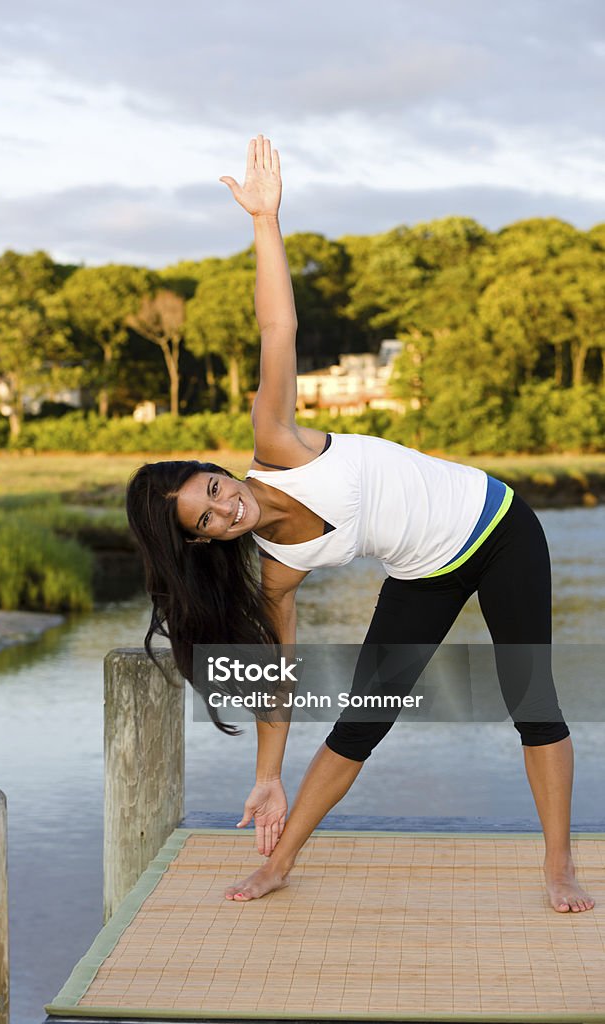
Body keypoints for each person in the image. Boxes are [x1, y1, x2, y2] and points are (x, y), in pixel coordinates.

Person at [126, 135, 594, 913]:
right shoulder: (277, 567)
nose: (223, 506)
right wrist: (264, 775)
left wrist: (265, 223)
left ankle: (558, 866)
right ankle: (279, 865)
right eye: (206, 520)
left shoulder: (276, 443)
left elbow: (276, 330)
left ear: (215, 467)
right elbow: (278, 677)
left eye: (211, 488)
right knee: (361, 720)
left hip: (500, 525)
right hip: (425, 571)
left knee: (530, 696)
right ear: (206, 541)